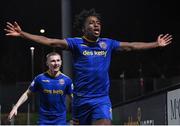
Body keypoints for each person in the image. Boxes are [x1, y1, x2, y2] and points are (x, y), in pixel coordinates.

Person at [5, 9, 172, 125]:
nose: (96, 25)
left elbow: (132, 46)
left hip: (101, 100)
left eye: (98, 23)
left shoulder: (108, 44)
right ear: (84, 28)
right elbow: (50, 41)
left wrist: (156, 44)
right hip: (81, 102)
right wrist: (22, 34)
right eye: (92, 23)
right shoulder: (76, 44)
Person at [8, 52, 73, 125]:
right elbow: (27, 93)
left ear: (61, 62)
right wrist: (15, 107)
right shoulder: (40, 78)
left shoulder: (67, 80)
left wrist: (79, 113)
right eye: (53, 61)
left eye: (58, 60)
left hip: (60, 120)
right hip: (44, 120)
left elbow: (73, 99)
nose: (56, 63)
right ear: (47, 63)